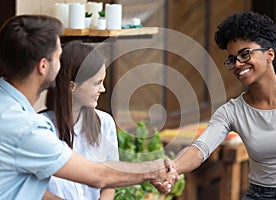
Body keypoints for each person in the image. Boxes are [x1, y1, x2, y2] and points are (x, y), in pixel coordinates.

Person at [0, 15, 178, 200]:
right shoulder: (26, 127)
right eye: (59, 57)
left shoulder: (8, 108)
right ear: (43, 66)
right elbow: (98, 176)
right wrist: (151, 169)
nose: (61, 67)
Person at [155, 11, 276, 199]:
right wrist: (171, 169)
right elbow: (199, 149)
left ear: (269, 54)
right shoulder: (232, 111)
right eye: (232, 59)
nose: (238, 64)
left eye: (245, 54)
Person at [40, 40, 119, 200]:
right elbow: (31, 188)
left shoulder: (105, 122)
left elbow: (111, 180)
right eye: (97, 83)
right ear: (72, 86)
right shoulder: (40, 128)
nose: (102, 89)